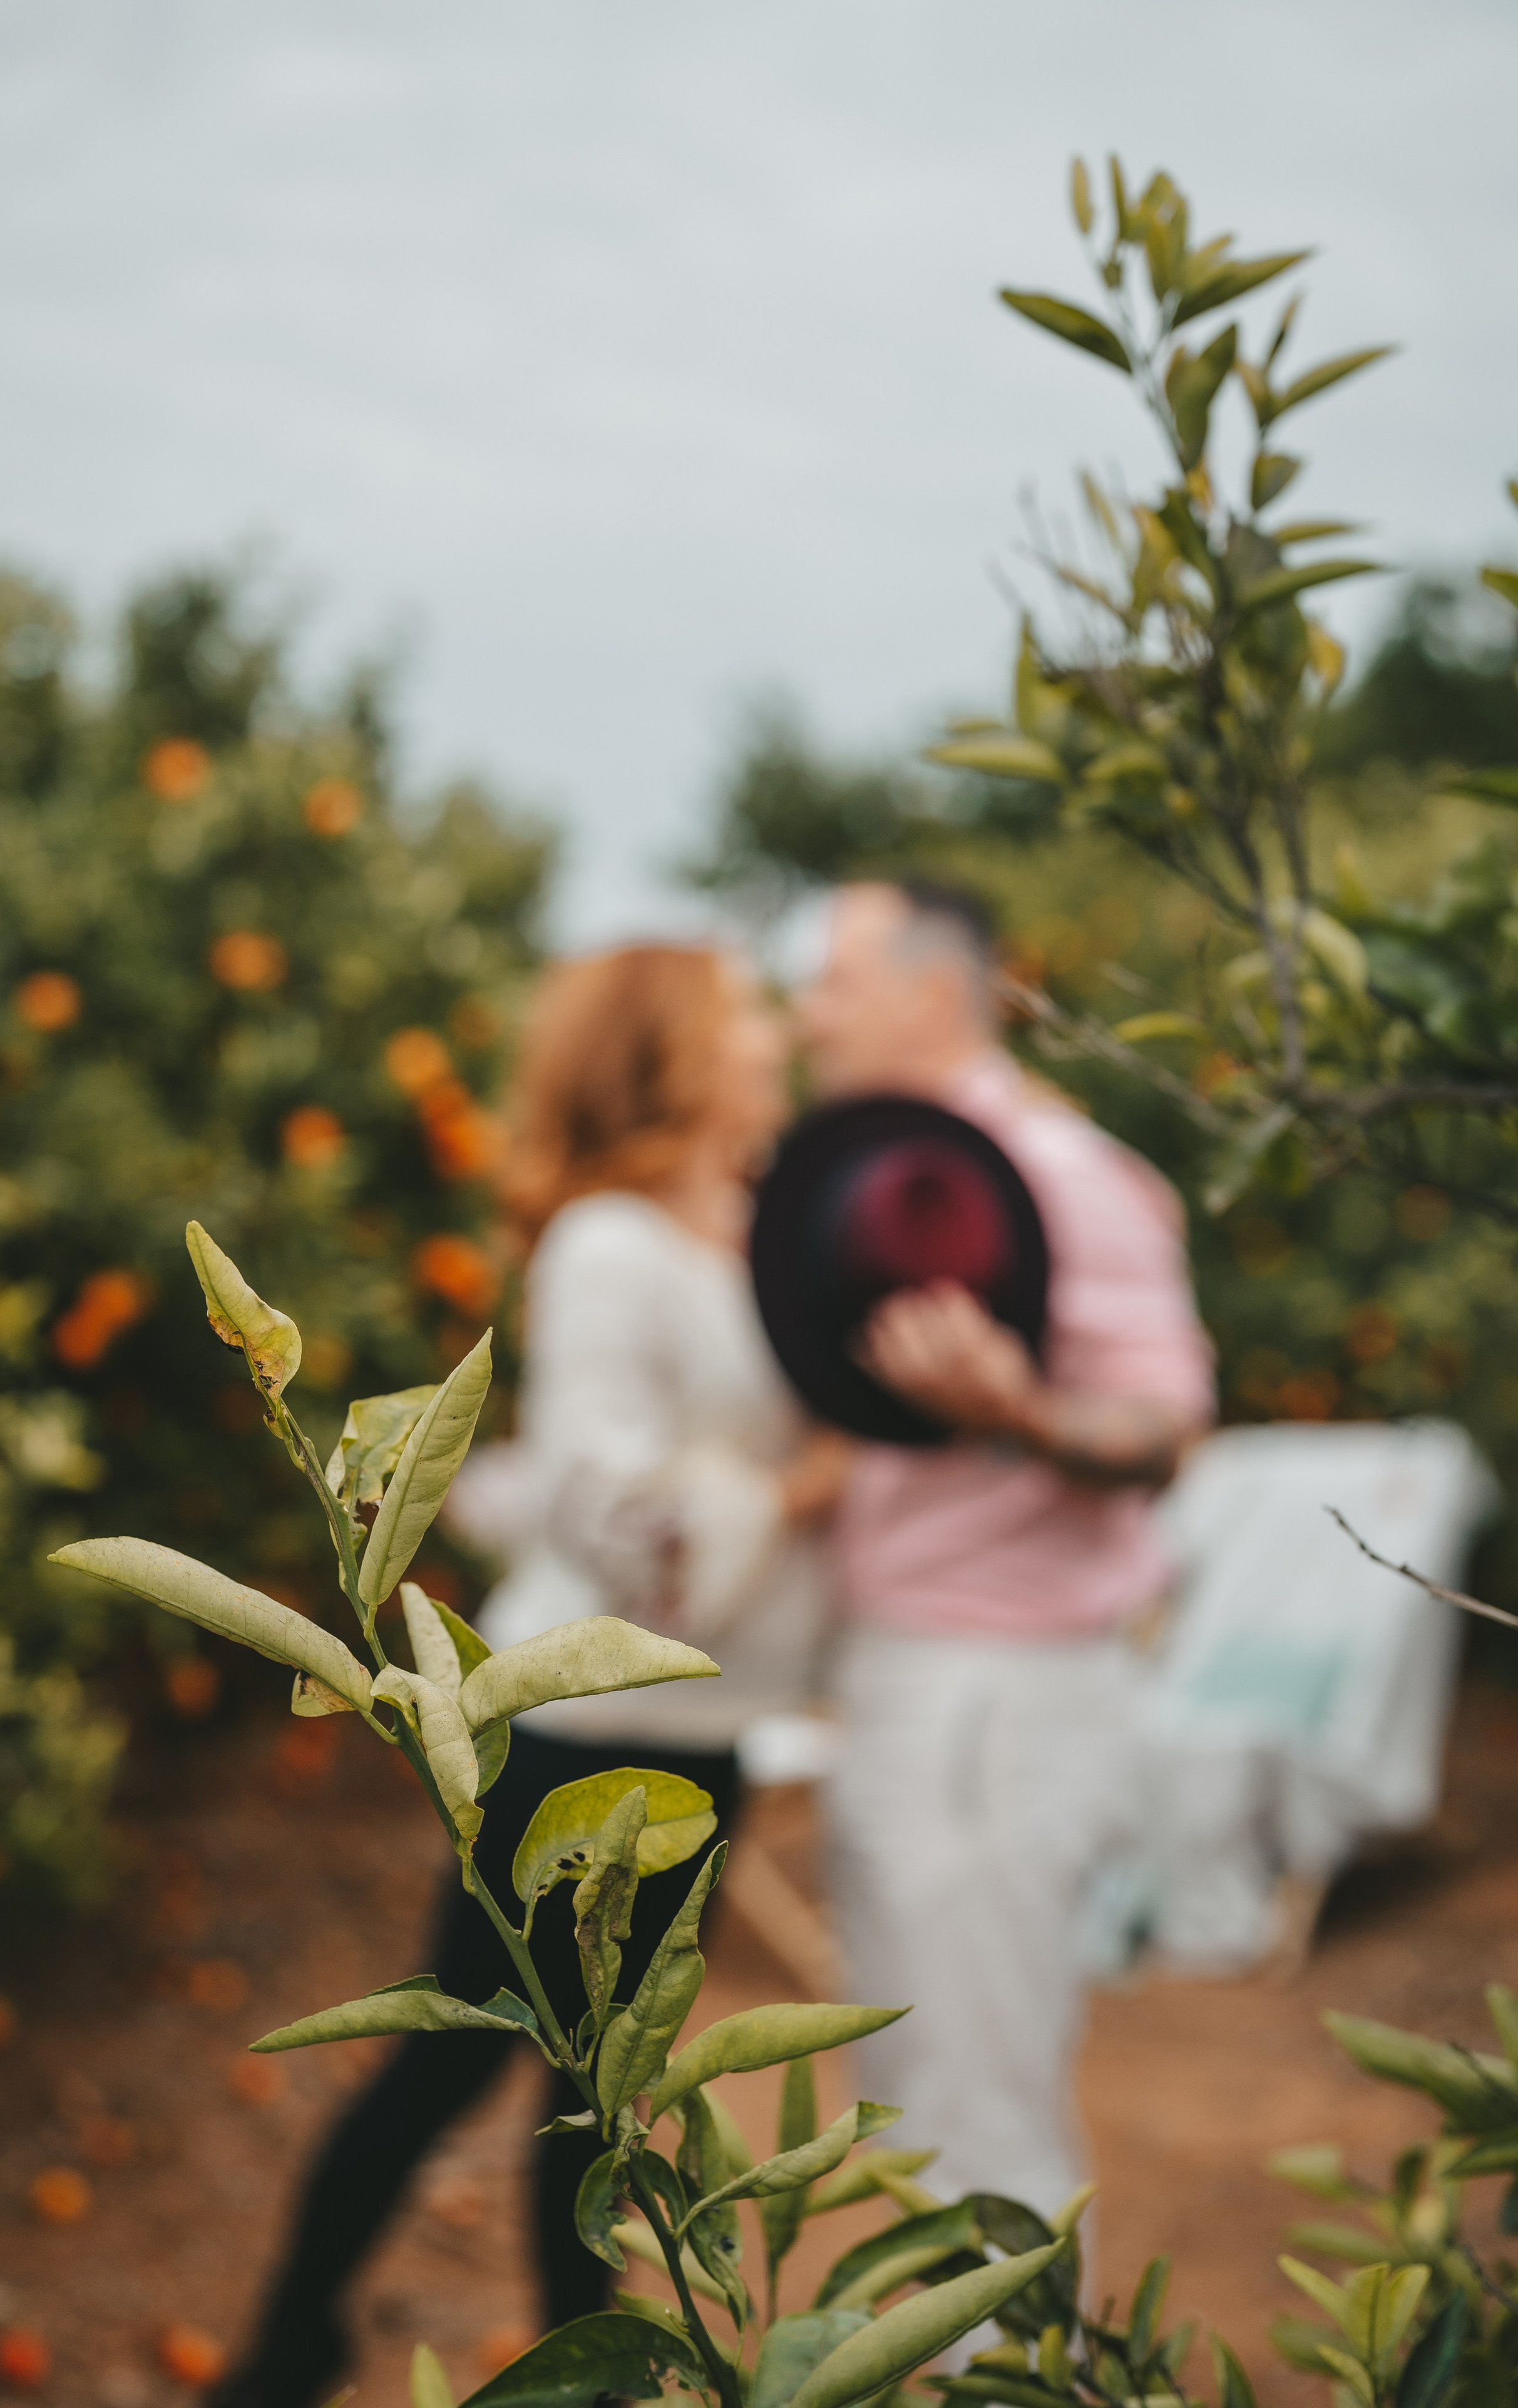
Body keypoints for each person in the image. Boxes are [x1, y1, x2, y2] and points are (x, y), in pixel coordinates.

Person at [214, 943, 842, 2408]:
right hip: (580, 1727)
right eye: (746, 1012)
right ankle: (289, 2348)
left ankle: (514, 2369)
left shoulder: (746, 1228)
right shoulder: (608, 1244)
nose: (770, 1036)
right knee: (478, 2061)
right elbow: (615, 1516)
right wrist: (806, 1490)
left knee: (591, 2093)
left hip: (706, 1725)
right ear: (675, 1049)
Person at [796, 877, 1215, 2222]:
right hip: (916, 1683)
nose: (806, 1016)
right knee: (920, 2107)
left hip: (996, 1697)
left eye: (832, 982)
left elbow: (1163, 1426)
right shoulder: (898, 1169)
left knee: (977, 2127)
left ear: (929, 991)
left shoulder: (1055, 1174)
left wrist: (1014, 1412)